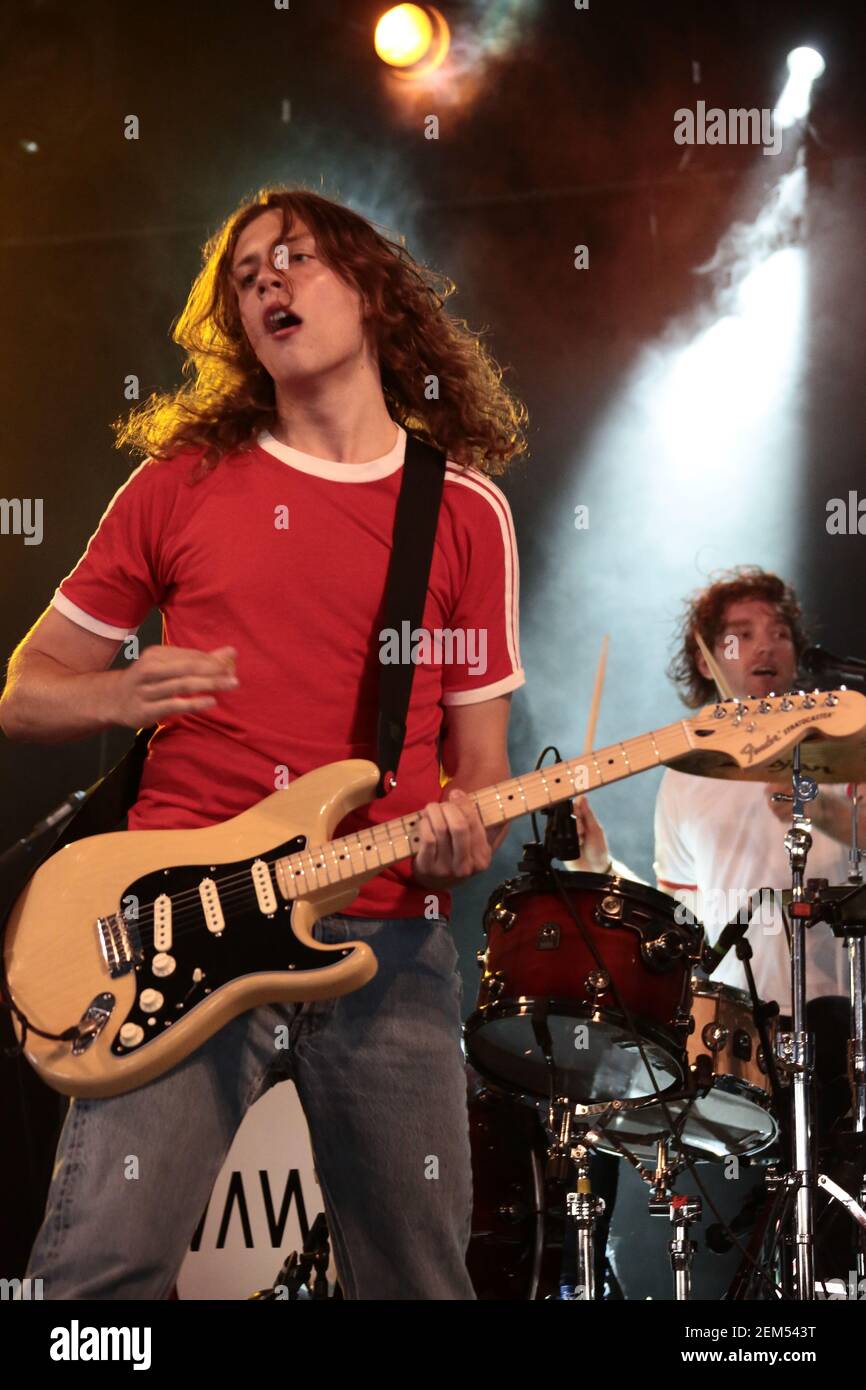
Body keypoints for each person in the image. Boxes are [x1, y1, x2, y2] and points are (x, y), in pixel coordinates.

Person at [0, 186, 528, 1300]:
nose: (266, 284)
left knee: (421, 1283)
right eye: (244, 277)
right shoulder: (179, 482)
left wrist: (458, 836)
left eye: (291, 260)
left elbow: (479, 770)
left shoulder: (464, 511)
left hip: (386, 939)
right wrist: (121, 692)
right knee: (102, 1274)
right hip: (176, 926)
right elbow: (27, 692)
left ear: (372, 289)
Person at [569, 567, 858, 1283]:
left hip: (841, 1011)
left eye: (780, 632)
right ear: (707, 658)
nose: (767, 647)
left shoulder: (842, 746)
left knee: (838, 1199)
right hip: (739, 1033)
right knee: (746, 1219)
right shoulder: (687, 777)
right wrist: (604, 866)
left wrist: (822, 808)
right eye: (742, 636)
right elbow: (684, 918)